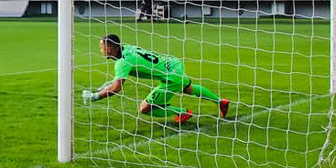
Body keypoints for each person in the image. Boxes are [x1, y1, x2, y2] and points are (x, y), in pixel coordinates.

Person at [82, 34, 230, 124]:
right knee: (188, 88)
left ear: (110, 47)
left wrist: (95, 96)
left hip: (170, 77)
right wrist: (112, 82)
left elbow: (116, 88)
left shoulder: (122, 63)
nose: (101, 50)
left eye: (102, 47)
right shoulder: (127, 48)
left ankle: (183, 112)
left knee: (145, 108)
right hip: (173, 64)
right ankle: (220, 102)